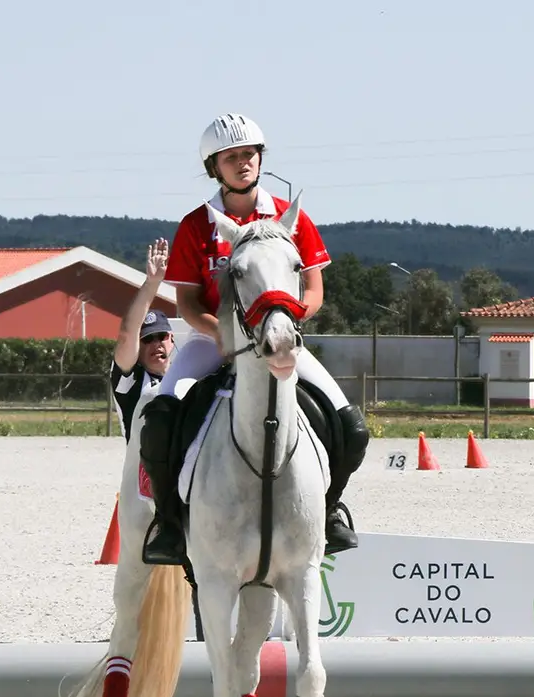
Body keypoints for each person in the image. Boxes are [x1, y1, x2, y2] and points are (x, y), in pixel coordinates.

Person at [136, 113, 370, 566]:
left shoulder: (290, 218)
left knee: (351, 426)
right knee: (161, 418)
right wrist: (222, 335)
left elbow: (315, 291)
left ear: (260, 159)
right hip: (212, 340)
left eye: (249, 155)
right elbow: (186, 304)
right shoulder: (195, 225)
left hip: (279, 338)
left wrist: (284, 326)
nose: (242, 163)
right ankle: (167, 523)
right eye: (231, 157)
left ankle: (331, 508)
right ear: (215, 167)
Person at [110, 239, 174, 442]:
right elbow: (128, 335)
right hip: (143, 470)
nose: (156, 344)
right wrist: (152, 283)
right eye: (147, 339)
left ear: (172, 340)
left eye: (162, 336)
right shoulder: (131, 380)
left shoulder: (188, 373)